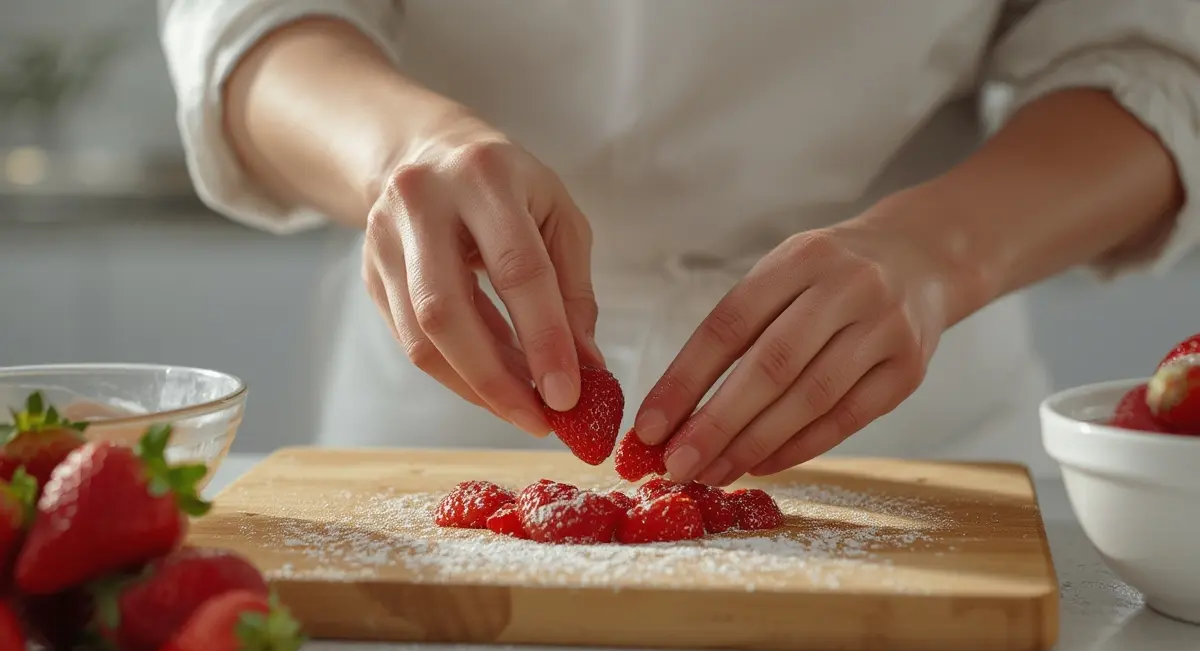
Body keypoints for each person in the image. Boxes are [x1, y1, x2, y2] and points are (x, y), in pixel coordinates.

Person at [157, 0, 1197, 484]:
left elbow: (1154, 57)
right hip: (454, 402)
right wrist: (403, 148)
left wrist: (937, 252)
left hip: (907, 433)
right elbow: (249, 21)